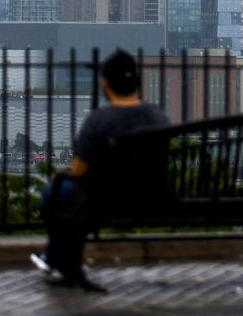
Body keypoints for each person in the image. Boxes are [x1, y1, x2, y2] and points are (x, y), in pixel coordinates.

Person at [31, 49, 169, 292]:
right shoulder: (158, 116)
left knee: (53, 193)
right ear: (135, 82)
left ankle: (60, 261)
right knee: (68, 195)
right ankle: (57, 261)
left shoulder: (100, 120)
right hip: (152, 196)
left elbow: (78, 170)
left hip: (102, 201)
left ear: (106, 83)